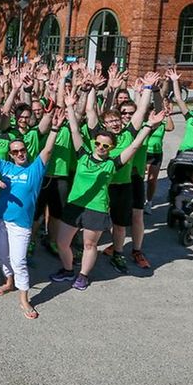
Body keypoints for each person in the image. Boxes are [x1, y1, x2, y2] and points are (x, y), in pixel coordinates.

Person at [49, 94, 166, 291]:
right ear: (94, 142)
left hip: (96, 208)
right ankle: (68, 269)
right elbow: (75, 130)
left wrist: (149, 125)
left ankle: (83, 275)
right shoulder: (83, 155)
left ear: (111, 148)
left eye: (106, 146)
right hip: (75, 205)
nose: (101, 147)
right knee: (62, 242)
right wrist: (69, 106)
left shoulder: (113, 164)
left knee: (89, 245)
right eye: (98, 144)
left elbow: (135, 145)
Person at [0, 109, 64, 319]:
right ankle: (9, 282)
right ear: (10, 154)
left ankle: (24, 299)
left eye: (22, 150)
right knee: (2, 254)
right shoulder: (7, 167)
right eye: (15, 151)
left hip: (21, 223)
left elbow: (47, 150)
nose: (20, 153)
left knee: (19, 260)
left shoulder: (35, 169)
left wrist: (54, 128)